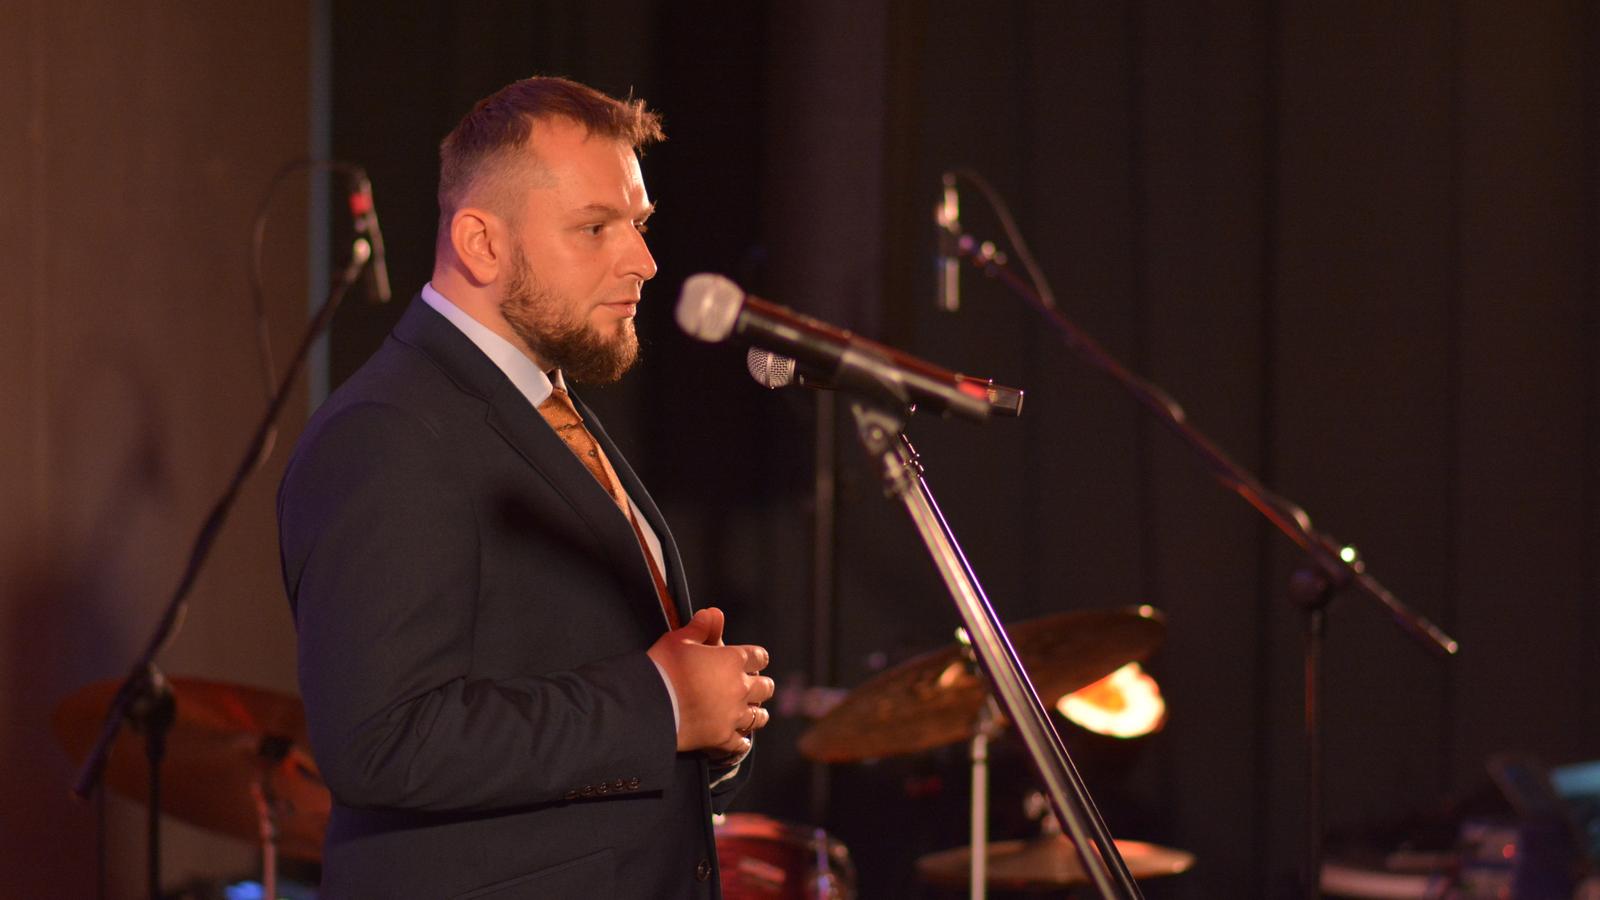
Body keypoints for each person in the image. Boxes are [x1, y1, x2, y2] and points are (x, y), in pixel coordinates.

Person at [277, 76, 773, 899]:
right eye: (595, 227)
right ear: (481, 243)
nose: (643, 261)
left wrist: (699, 735)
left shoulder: (540, 402)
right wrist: (660, 705)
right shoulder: (387, 431)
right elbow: (379, 740)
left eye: (640, 224)